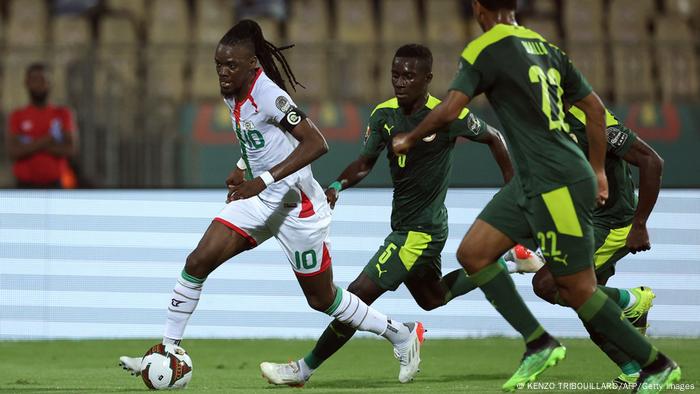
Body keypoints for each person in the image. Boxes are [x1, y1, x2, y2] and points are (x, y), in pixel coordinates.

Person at [392, 1, 680, 392]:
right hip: (535, 178)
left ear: (479, 8)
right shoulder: (546, 48)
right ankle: (539, 342)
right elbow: (595, 109)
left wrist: (409, 136)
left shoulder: (485, 47)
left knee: (573, 289)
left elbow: (450, 108)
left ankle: (655, 363)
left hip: (555, 177)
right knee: (474, 254)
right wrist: (596, 168)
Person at [118, 19, 423, 382]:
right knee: (198, 261)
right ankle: (167, 350)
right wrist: (239, 166)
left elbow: (316, 143)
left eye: (231, 65)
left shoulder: (269, 95)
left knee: (322, 299)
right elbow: (257, 137)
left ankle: (401, 334)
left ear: (253, 64)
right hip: (259, 201)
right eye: (219, 64)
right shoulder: (232, 91)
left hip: (298, 209)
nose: (223, 72)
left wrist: (260, 180)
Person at [260, 43, 532, 386]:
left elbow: (494, 137)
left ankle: (303, 369)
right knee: (432, 298)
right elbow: (364, 164)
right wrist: (337, 187)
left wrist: (511, 189)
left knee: (356, 296)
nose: (400, 82)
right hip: (408, 224)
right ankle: (508, 262)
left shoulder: (448, 114)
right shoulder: (384, 115)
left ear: (427, 79)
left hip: (421, 231)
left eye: (408, 75)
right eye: (395, 74)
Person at [527, 105, 664, 387]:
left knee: (547, 284)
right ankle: (634, 369)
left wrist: (639, 224)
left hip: (611, 223)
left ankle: (633, 300)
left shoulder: (591, 118)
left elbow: (652, 161)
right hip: (580, 223)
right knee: (588, 304)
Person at [6, 63, 77, 188]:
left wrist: (30, 145)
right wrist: (49, 139)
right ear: (26, 83)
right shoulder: (17, 116)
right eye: (34, 80)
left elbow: (70, 149)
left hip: (55, 184)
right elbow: (14, 152)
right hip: (25, 186)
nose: (39, 85)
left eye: (43, 80)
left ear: (50, 83)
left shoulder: (62, 114)